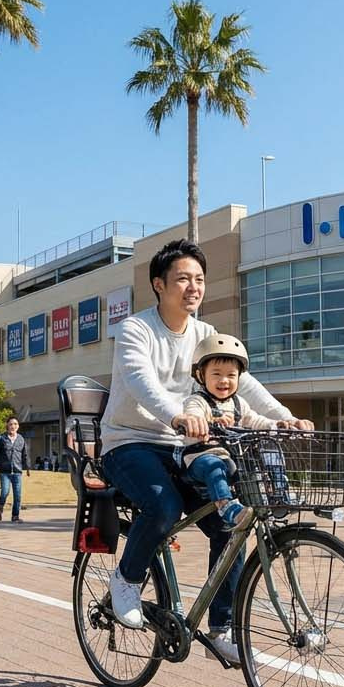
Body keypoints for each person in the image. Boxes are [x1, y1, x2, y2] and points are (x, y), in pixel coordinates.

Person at [100, 240, 310, 665]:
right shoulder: (135, 330)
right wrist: (179, 414)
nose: (192, 287)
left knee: (232, 522)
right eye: (182, 278)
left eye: (198, 279)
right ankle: (126, 578)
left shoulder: (206, 336)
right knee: (163, 505)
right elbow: (142, 382)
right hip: (130, 441)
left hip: (187, 448)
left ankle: (222, 626)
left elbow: (243, 384)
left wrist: (284, 417)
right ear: (158, 285)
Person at [181, 334, 293, 531]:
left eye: (231, 375)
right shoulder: (197, 401)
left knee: (269, 451)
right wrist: (209, 421)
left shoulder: (239, 403)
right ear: (201, 375)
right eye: (216, 374)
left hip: (233, 459)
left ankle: (279, 493)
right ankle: (226, 507)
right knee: (214, 465)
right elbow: (193, 415)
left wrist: (278, 425)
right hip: (200, 458)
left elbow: (256, 420)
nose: (224, 380)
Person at [0, 416, 29, 522]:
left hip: (17, 471)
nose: (13, 426)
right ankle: (0, 509)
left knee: (17, 495)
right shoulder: (1, 438)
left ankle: (15, 516)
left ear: (18, 426)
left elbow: (25, 454)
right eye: (11, 424)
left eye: (15, 424)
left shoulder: (21, 439)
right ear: (7, 426)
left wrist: (27, 467)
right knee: (5, 492)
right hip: (5, 471)